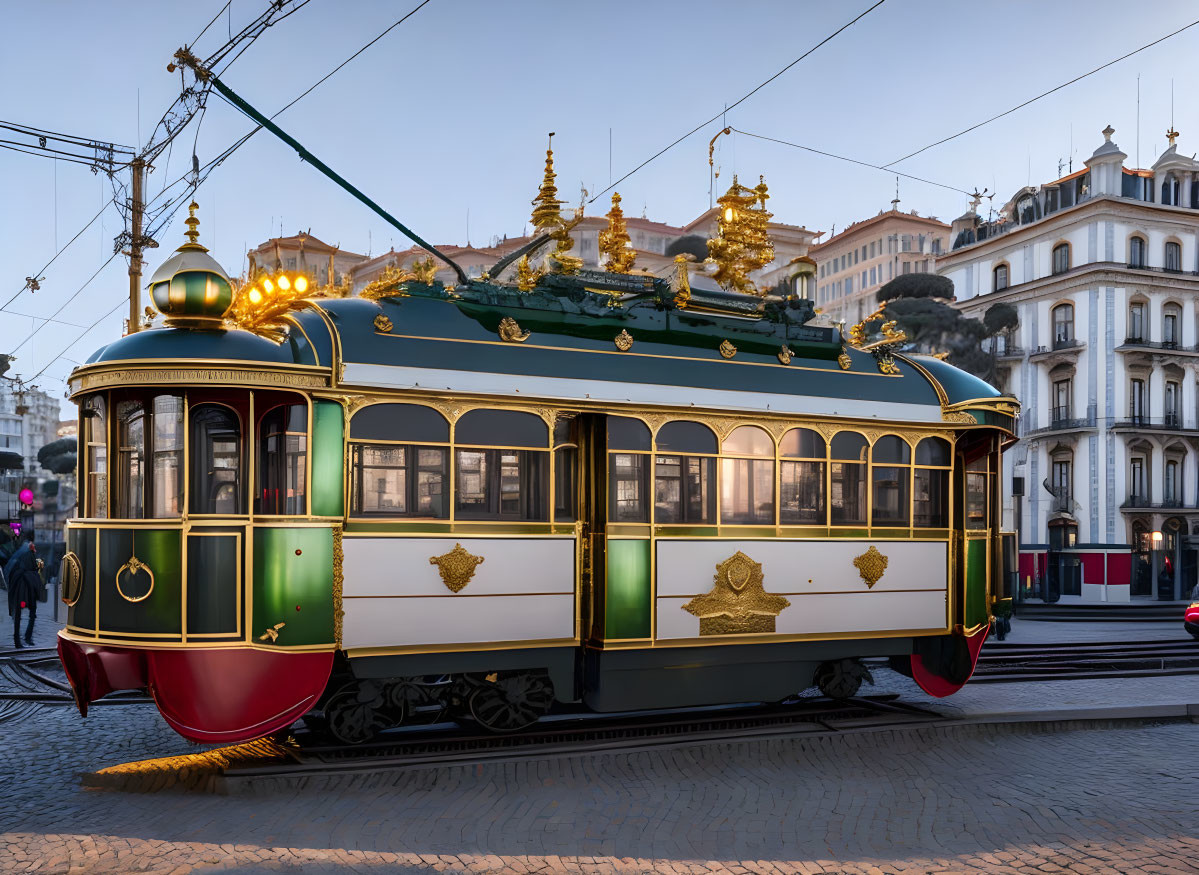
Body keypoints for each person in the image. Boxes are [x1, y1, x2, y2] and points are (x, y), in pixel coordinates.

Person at [4, 535, 39, 648]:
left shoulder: (16, 555)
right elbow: (34, 568)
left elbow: (9, 570)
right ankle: (27, 638)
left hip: (19, 588)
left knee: (19, 614)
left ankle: (18, 640)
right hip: (28, 588)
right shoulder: (28, 553)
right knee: (32, 613)